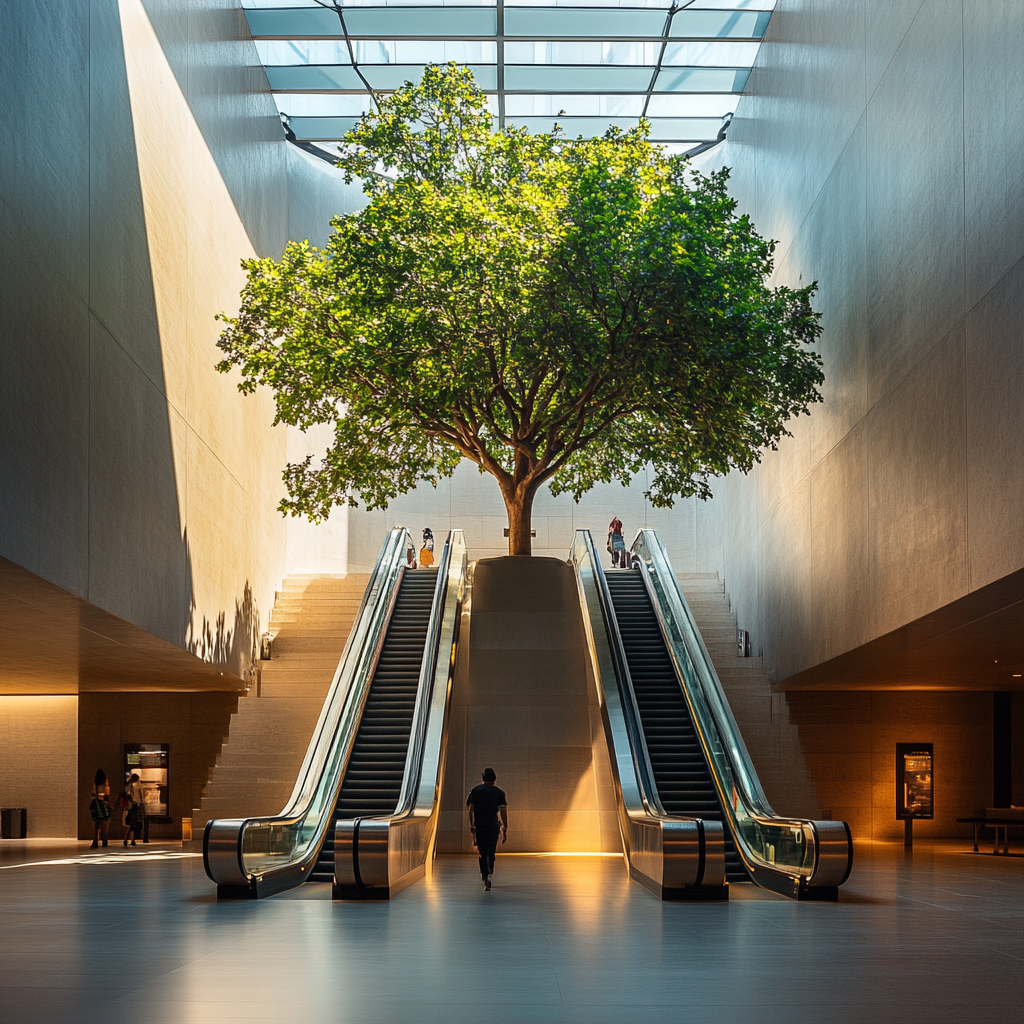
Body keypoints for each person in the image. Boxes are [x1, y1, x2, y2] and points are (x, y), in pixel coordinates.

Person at [467, 767, 507, 891]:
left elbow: (470, 810)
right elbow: (503, 812)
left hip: (480, 825)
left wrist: (472, 825)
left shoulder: (475, 790)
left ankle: (484, 876)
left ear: (483, 777)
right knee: (491, 851)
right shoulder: (500, 793)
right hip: (493, 825)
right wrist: (505, 827)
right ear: (494, 778)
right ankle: (490, 874)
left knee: (482, 852)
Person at [89, 769, 111, 848]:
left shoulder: (95, 786)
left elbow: (91, 796)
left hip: (96, 806)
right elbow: (108, 796)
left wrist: (96, 796)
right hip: (103, 807)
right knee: (105, 825)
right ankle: (104, 840)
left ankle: (95, 841)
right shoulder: (106, 786)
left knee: (96, 825)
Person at [123, 772, 144, 847]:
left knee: (130, 823)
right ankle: (132, 839)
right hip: (137, 805)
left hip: (131, 806)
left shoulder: (129, 786)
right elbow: (141, 796)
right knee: (135, 823)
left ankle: (126, 839)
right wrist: (142, 804)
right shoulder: (139, 785)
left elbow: (128, 794)